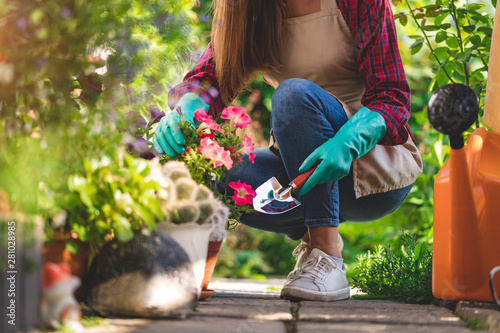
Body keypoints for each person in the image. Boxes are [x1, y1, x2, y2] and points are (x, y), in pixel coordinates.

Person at [153, 0, 422, 302]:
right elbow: (211, 77)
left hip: (370, 164)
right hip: (300, 171)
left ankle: (327, 256)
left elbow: (392, 99)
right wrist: (188, 107)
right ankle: (311, 241)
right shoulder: (248, 8)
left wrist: (349, 140)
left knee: (293, 94)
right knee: (219, 171)